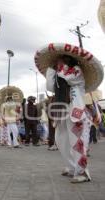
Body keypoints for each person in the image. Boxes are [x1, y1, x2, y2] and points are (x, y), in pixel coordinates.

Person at [36, 43, 104, 183]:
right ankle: (72, 167)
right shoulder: (59, 74)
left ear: (67, 61)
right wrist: (51, 70)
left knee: (76, 141)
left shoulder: (76, 71)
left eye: (60, 60)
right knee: (61, 140)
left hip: (76, 111)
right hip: (63, 110)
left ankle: (82, 172)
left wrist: (59, 67)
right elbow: (50, 86)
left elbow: (69, 78)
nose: (57, 63)